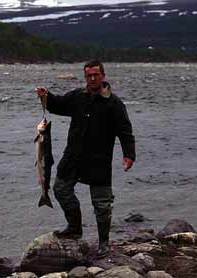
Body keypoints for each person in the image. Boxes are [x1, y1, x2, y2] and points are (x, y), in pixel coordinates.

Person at [36, 60, 135, 259]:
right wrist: (46, 96)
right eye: (88, 75)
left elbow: (125, 132)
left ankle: (104, 243)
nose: (92, 79)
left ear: (103, 76)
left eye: (95, 75)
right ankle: (74, 228)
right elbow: (59, 105)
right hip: (73, 156)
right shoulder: (77, 96)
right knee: (60, 189)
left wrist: (128, 155)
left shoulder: (114, 104)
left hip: (99, 160)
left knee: (102, 205)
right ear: (85, 77)